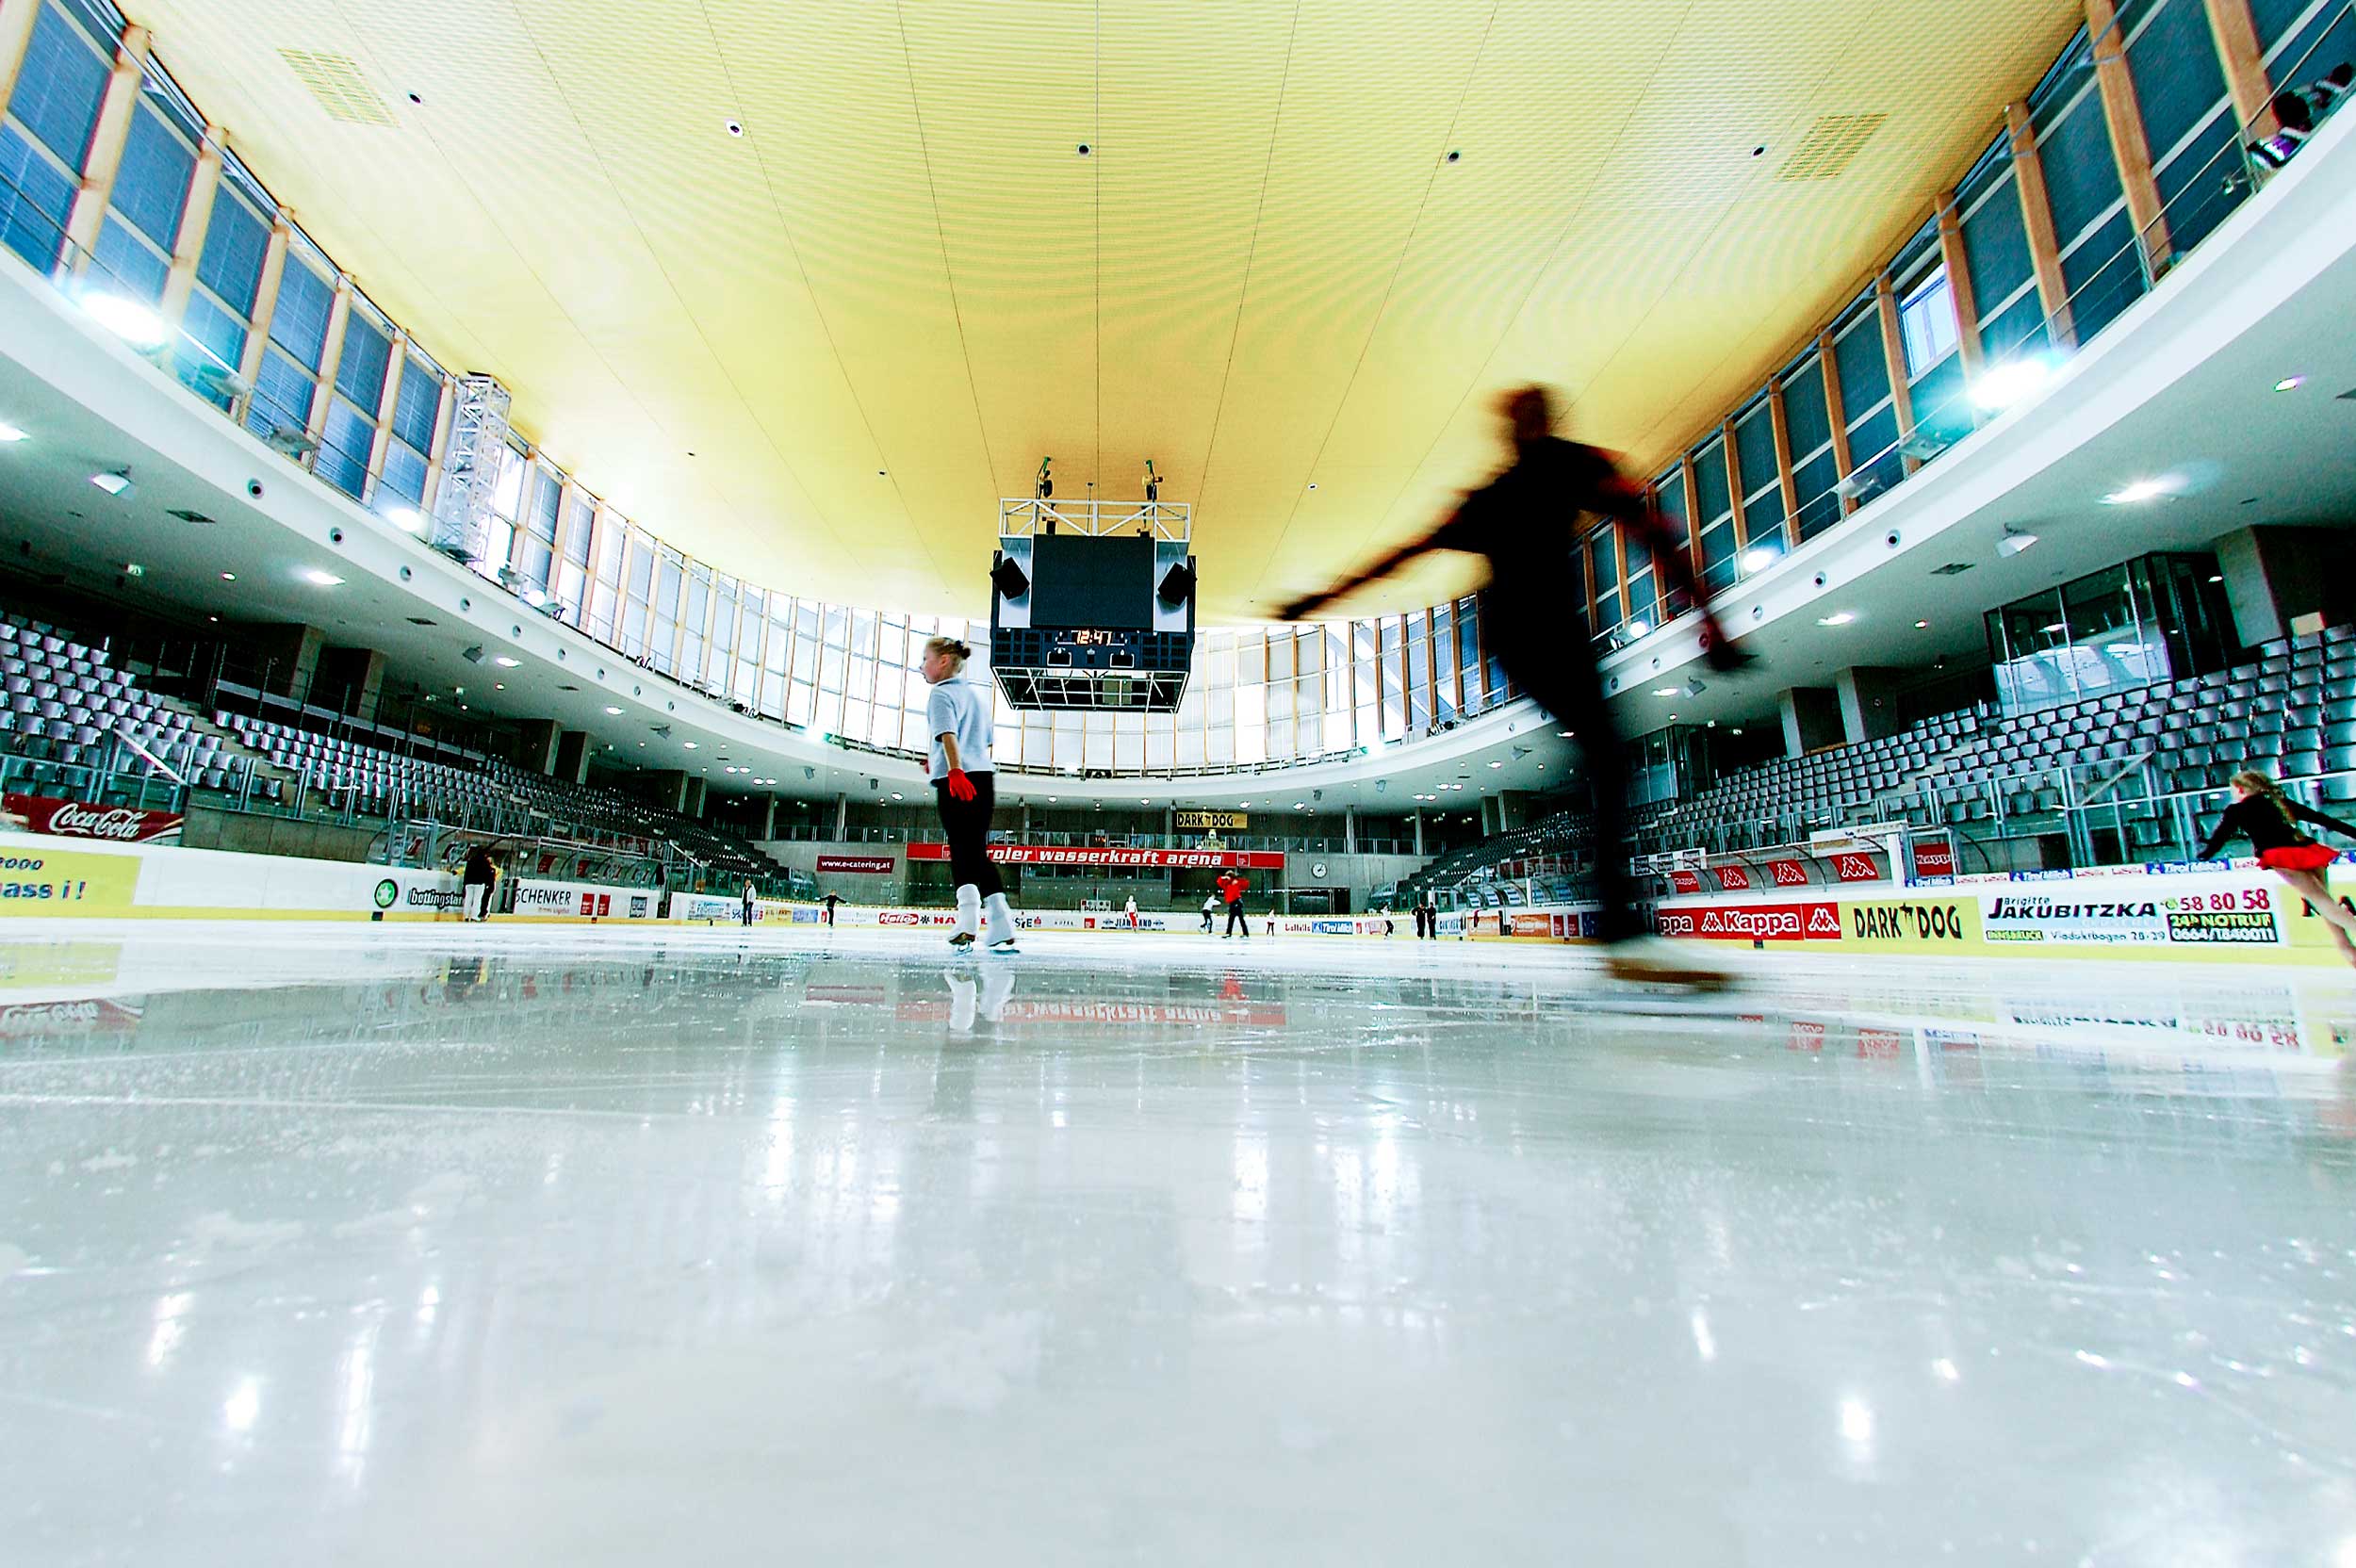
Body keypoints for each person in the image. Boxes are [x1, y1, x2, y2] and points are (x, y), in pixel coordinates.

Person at [1279, 384, 1751, 989]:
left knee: (1606, 761)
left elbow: (1650, 526)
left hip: (1543, 631)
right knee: (1606, 758)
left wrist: (1705, 611)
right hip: (1524, 635)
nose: (1527, 427)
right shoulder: (1508, 491)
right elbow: (1407, 552)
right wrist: (1325, 598)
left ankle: (1620, 933)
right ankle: (1621, 935)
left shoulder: (1558, 470)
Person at [922, 635, 1020, 954]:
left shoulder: (940, 695)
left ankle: (969, 919)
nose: (923, 667)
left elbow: (948, 734)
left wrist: (953, 770)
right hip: (984, 777)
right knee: (974, 849)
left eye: (927, 659)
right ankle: (997, 918)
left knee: (963, 850)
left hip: (959, 778)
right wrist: (939, 760)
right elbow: (982, 740)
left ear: (944, 662)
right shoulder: (975, 698)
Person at [2198, 770, 2356, 967]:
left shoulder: (2236, 810)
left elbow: (2221, 836)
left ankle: (2349, 945)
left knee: (2324, 904)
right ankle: (2348, 950)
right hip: (2308, 851)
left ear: (2240, 789)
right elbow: (2323, 820)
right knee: (2325, 903)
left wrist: (2205, 855)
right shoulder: (2278, 802)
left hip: (2281, 856)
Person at [461, 841, 499, 923]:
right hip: (479, 883)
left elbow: (466, 872)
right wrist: (488, 883)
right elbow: (487, 874)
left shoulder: (470, 861)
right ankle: (474, 916)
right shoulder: (485, 862)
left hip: (469, 882)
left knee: (468, 899)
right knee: (477, 899)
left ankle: (466, 915)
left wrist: (465, 883)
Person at [1219, 870, 1250, 939]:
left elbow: (1246, 883)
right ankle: (1243, 933)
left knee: (1239, 919)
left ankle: (1243, 933)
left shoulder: (1236, 881)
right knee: (1232, 919)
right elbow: (1219, 881)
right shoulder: (1226, 884)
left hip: (1237, 902)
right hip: (1232, 903)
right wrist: (1224, 878)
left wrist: (1237, 879)